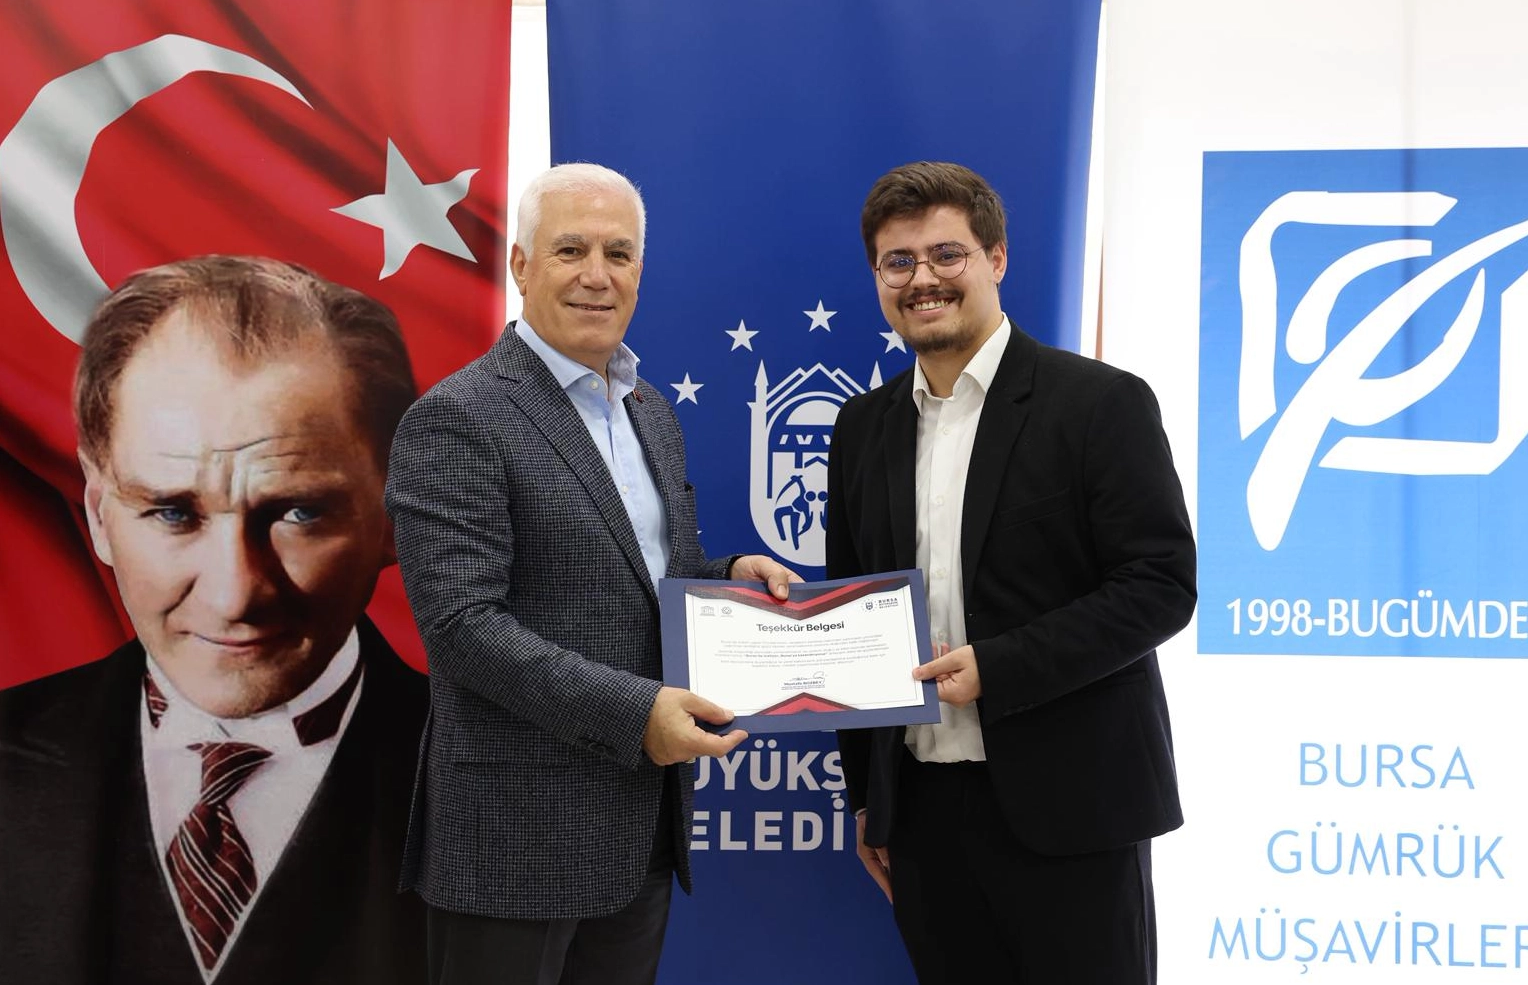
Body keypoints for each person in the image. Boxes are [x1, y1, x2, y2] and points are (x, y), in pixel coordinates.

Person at [385, 162, 799, 985]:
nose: (597, 276)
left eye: (619, 253)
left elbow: (642, 574)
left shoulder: (650, 411)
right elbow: (463, 627)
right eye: (570, 250)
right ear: (521, 265)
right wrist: (638, 712)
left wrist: (728, 577)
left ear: (640, 269)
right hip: (515, 837)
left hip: (638, 825)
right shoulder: (458, 417)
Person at [0, 255, 429, 985]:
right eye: (172, 513)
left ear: (396, 514)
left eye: (298, 513)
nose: (235, 596)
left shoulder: (534, 799)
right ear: (99, 515)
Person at [827, 162, 1197, 984]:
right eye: (898, 262)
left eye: (946, 254)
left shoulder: (1099, 403)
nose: (922, 279)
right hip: (920, 816)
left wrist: (997, 667)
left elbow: (1160, 585)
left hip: (1074, 809)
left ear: (996, 258)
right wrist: (868, 797)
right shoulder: (860, 428)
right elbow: (854, 611)